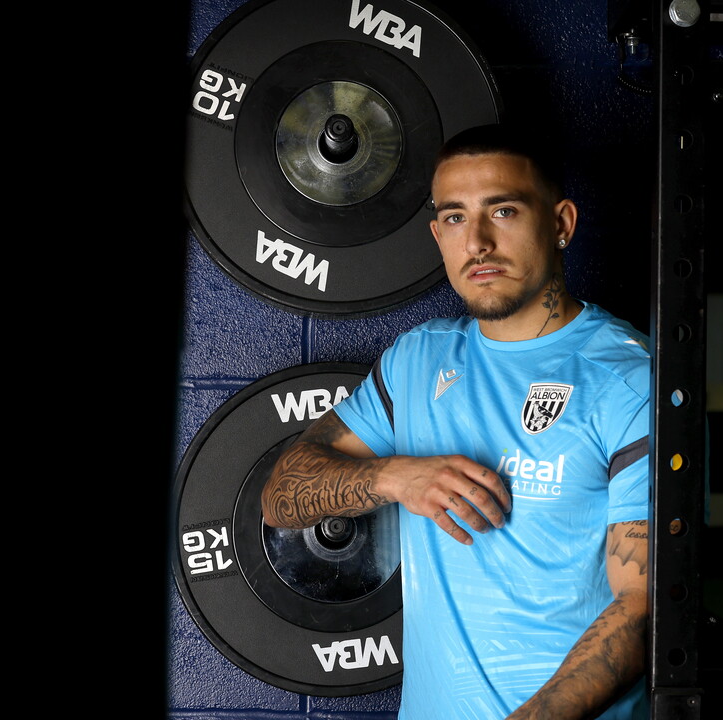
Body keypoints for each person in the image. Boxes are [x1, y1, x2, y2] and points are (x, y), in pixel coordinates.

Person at [261, 123, 652, 720]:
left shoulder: (630, 379)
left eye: (503, 211)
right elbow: (282, 496)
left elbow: (643, 606)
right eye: (453, 217)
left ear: (562, 223)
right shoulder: (419, 362)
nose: (478, 242)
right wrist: (394, 478)